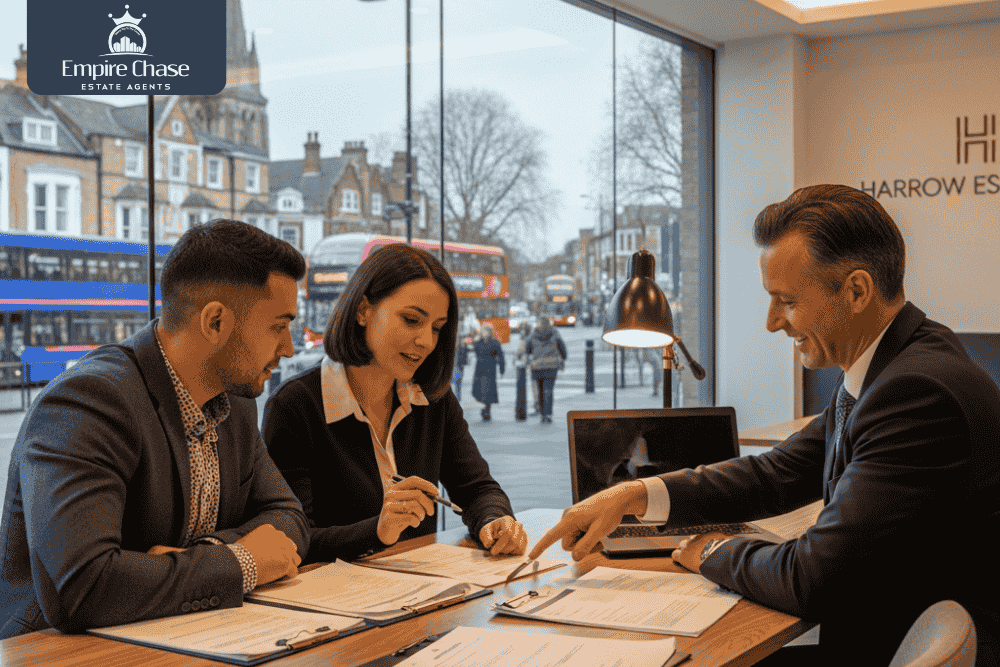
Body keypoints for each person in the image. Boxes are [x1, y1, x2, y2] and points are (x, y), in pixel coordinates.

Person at [528, 185, 1000, 667]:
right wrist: (635, 495)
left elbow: (812, 579)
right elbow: (777, 472)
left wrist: (711, 549)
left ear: (857, 291)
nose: (773, 322)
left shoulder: (916, 392)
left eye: (787, 301)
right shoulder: (894, 363)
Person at [0, 219, 309, 640]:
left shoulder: (234, 402)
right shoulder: (89, 400)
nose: (289, 347)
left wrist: (211, 553)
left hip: (191, 637)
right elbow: (81, 586)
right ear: (215, 322)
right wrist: (242, 562)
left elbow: (288, 519)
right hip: (58, 652)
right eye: (279, 325)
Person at [262, 243, 526, 564]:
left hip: (421, 594)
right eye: (412, 320)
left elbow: (477, 488)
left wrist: (494, 520)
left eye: (437, 328)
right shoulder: (295, 405)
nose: (426, 341)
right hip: (337, 601)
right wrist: (378, 530)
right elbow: (294, 540)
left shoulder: (433, 398)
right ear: (363, 310)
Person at [525, 317, 567, 424]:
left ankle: (542, 414)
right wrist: (563, 357)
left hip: (537, 366)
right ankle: (547, 414)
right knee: (548, 390)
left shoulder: (534, 334)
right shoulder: (554, 333)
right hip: (551, 365)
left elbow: (527, 347)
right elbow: (562, 347)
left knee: (539, 390)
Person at [471, 322, 505, 421]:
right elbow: (476, 351)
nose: (484, 333)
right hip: (480, 369)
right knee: (479, 390)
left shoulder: (495, 343)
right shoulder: (479, 342)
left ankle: (487, 410)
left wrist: (502, 369)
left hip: (490, 369)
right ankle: (485, 409)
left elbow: (501, 356)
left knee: (488, 391)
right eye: (483, 331)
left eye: (486, 331)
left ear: (490, 332)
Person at [515, 323, 540, 414]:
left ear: (525, 330)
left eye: (522, 329)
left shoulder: (526, 339)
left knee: (535, 385)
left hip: (531, 364)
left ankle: (537, 405)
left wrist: (517, 357)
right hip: (535, 363)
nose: (521, 331)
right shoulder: (532, 337)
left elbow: (521, 350)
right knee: (536, 384)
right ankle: (538, 404)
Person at [453, 334, 469, 400]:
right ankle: (457, 396)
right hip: (456, 366)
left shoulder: (465, 348)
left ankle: (458, 396)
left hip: (461, 367)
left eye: (464, 339)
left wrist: (465, 363)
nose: (463, 341)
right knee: (457, 381)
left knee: (459, 382)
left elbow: (465, 358)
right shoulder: (457, 347)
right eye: (462, 339)